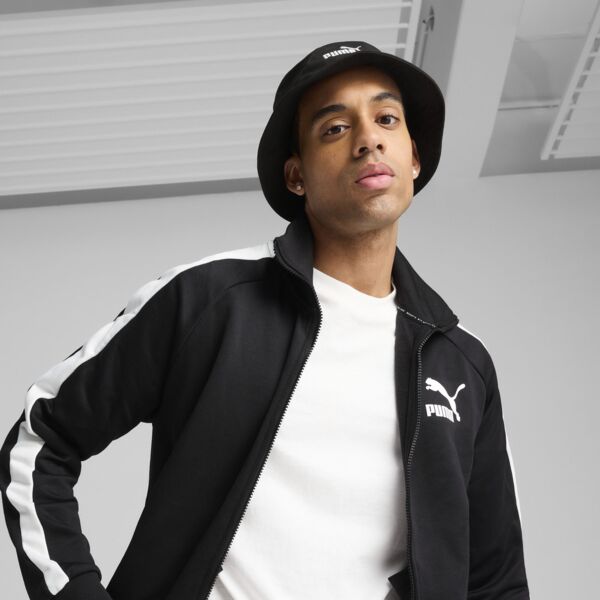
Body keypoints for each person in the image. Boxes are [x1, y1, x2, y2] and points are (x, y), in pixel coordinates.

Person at [0, 41, 530, 600]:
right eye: (334, 128)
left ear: (414, 159)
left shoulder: (461, 362)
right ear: (296, 175)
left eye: (386, 119)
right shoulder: (209, 300)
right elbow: (40, 439)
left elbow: (494, 577)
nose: (368, 139)